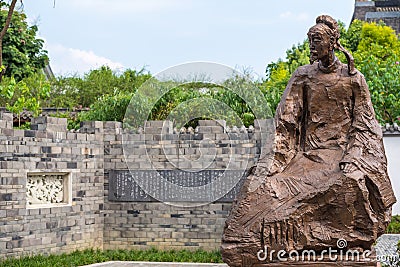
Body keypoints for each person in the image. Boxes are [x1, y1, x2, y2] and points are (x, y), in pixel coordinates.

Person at [221, 15, 396, 266]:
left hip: (341, 156)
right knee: (261, 187)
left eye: (317, 40)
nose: (312, 46)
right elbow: (285, 124)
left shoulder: (353, 78)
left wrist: (354, 157)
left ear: (332, 42)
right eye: (310, 40)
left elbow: (364, 123)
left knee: (350, 181)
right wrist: (269, 164)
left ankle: (339, 240)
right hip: (306, 157)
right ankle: (248, 244)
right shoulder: (303, 76)